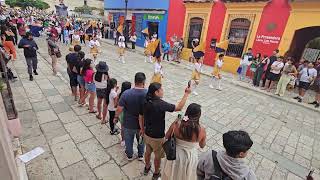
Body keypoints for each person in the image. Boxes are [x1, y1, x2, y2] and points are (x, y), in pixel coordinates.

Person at [140, 82, 191, 179]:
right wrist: (186, 93)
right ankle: (156, 172)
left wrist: (142, 129)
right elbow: (179, 107)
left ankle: (147, 167)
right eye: (161, 90)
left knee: (147, 151)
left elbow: (141, 116)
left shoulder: (145, 100)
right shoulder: (160, 104)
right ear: (156, 92)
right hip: (157, 137)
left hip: (147, 133)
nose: (163, 91)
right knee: (157, 156)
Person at [162, 103, 206, 180]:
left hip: (174, 154)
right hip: (190, 157)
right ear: (198, 115)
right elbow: (202, 145)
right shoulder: (201, 130)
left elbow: (167, 136)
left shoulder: (177, 124)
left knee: (171, 174)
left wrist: (176, 121)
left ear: (187, 112)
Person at [113, 72, 147, 161]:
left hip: (128, 123)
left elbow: (119, 109)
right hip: (142, 124)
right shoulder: (148, 94)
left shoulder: (126, 93)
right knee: (141, 140)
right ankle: (140, 155)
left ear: (134, 81)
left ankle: (129, 155)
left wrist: (116, 117)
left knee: (128, 140)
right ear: (144, 82)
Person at [118, 81, 132, 147]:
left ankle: (123, 140)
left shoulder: (119, 94)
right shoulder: (130, 95)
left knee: (122, 128)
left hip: (121, 113)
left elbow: (117, 105)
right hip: (128, 114)